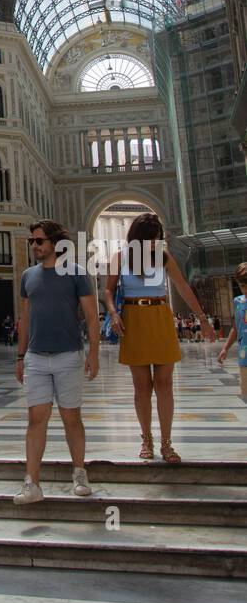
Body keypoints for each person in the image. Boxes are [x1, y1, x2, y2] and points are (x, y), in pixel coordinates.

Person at [104, 212, 214, 463]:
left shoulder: (164, 257)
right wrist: (112, 313)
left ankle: (166, 443)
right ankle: (146, 440)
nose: (154, 243)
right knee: (142, 386)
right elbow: (108, 290)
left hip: (160, 317)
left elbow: (183, 287)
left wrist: (203, 319)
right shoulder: (120, 258)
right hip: (134, 319)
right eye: (150, 239)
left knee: (164, 383)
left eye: (157, 238)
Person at [14, 220, 99, 505]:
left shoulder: (76, 274)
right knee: (35, 419)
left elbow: (91, 316)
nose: (34, 246)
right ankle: (32, 484)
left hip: (68, 356)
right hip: (36, 358)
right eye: (32, 242)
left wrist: (94, 354)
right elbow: (24, 319)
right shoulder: (27, 276)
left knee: (71, 418)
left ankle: (79, 473)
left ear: (54, 243)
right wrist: (20, 356)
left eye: (39, 241)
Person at [217, 264, 247, 396]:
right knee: (245, 390)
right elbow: (235, 328)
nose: (245, 289)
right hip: (244, 354)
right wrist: (225, 348)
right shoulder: (238, 301)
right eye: (242, 286)